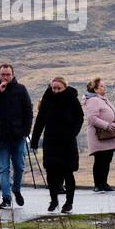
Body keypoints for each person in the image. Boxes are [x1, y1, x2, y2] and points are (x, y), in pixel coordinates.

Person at [0, 62, 34, 210]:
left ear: (13, 74)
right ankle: (6, 198)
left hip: (18, 136)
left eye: (8, 74)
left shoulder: (21, 89)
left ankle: (16, 189)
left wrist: (25, 131)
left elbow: (28, 111)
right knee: (3, 168)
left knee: (19, 167)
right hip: (1, 137)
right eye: (3, 74)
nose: (5, 77)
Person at [30, 77, 83, 214]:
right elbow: (40, 120)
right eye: (54, 88)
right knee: (51, 172)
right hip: (51, 141)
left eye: (59, 88)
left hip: (67, 142)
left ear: (65, 87)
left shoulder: (72, 98)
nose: (56, 91)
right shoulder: (47, 98)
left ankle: (69, 202)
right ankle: (54, 200)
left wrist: (73, 133)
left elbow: (79, 117)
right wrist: (34, 140)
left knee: (68, 172)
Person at [83, 77, 115, 192]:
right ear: (95, 89)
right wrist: (107, 125)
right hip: (99, 135)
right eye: (102, 86)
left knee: (107, 159)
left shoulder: (103, 99)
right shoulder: (93, 100)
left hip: (108, 135)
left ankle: (104, 183)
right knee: (100, 160)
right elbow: (92, 118)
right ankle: (98, 184)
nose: (104, 87)